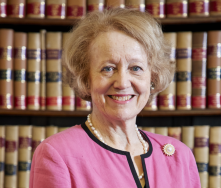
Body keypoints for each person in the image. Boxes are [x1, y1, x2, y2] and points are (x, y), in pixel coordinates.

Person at [30, 8, 200, 188]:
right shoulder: (58, 154)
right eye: (108, 68)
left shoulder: (180, 156)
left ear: (153, 77)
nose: (122, 83)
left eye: (135, 68)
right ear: (86, 79)